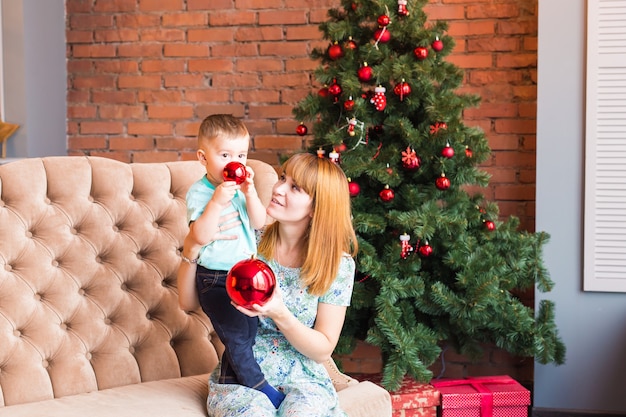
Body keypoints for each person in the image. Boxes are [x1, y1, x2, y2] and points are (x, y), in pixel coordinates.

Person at [178, 152, 358, 416]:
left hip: (305, 381)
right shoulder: (247, 237)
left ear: (317, 208)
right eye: (283, 178)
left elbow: (323, 349)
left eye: (294, 187)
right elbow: (188, 302)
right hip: (243, 378)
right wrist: (192, 246)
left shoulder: (337, 264)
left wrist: (278, 312)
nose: (278, 188)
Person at [180, 114, 285, 408]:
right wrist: (217, 201)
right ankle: (261, 387)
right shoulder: (200, 192)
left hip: (245, 274)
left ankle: (228, 379)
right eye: (224, 154)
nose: (233, 162)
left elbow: (259, 221)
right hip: (214, 278)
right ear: (203, 157)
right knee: (237, 337)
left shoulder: (240, 189)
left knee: (250, 331)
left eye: (241, 155)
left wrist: (250, 192)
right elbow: (199, 235)